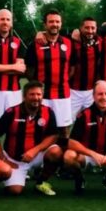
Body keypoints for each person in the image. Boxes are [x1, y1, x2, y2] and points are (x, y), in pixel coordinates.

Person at [0, 80, 62, 196]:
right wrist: (4, 159)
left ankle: (41, 182)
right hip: (16, 160)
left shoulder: (48, 111)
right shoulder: (12, 112)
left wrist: (35, 150)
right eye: (32, 94)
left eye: (39, 94)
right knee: (14, 191)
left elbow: (53, 136)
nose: (36, 98)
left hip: (37, 155)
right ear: (24, 96)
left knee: (55, 152)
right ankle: (15, 176)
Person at [25, 10, 74, 139]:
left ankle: (62, 156)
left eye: (57, 21)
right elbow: (29, 69)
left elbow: (72, 66)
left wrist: (63, 80)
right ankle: (41, 157)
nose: (54, 24)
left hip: (63, 93)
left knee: (64, 129)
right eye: (51, 21)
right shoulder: (35, 44)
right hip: (43, 95)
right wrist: (37, 84)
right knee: (41, 128)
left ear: (61, 24)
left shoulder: (68, 43)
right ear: (45, 24)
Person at [0, 9, 26, 122]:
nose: (5, 22)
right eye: (2, 19)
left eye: (8, 19)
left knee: (15, 125)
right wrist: (13, 67)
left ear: (11, 23)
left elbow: (20, 69)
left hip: (14, 91)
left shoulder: (18, 42)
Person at [69, 17, 101, 117]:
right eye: (86, 28)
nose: (90, 31)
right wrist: (41, 33)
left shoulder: (100, 41)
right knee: (67, 122)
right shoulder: (71, 42)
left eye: (93, 28)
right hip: (73, 91)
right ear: (80, 28)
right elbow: (54, 35)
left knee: (91, 122)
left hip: (92, 91)